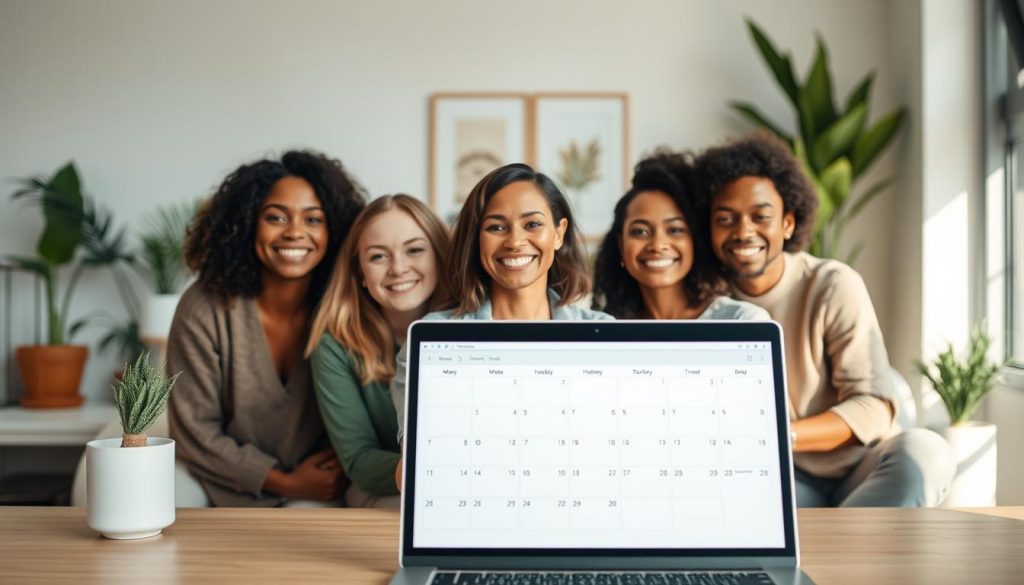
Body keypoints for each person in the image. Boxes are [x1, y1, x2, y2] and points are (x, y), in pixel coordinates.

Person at [695, 132, 954, 507]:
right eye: (725, 219)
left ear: (787, 222)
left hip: (861, 467)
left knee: (927, 451)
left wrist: (778, 434)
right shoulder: (705, 301)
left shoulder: (832, 285)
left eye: (760, 216)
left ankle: (848, 546)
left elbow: (875, 407)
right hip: (777, 478)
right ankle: (853, 545)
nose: (743, 231)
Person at [391, 163, 612, 485]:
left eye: (533, 224)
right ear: (476, 238)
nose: (514, 242)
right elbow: (415, 473)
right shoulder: (432, 340)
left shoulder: (604, 334)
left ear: (559, 233)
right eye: (496, 227)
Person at [168, 150, 366, 507]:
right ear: (245, 224)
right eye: (276, 217)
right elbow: (194, 431)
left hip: (324, 487)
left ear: (335, 230)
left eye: (313, 220)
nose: (294, 233)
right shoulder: (204, 309)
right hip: (224, 484)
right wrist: (286, 483)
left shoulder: (349, 306)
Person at [306, 195, 451, 508]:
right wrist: (438, 473)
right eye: (378, 257)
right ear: (359, 273)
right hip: (385, 490)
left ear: (439, 256)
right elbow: (359, 462)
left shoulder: (471, 324)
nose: (398, 268)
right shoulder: (334, 344)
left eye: (414, 250)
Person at [593, 150, 768, 321]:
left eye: (675, 230)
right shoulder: (606, 327)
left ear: (695, 241)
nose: (658, 245)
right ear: (621, 245)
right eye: (640, 231)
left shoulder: (741, 320)